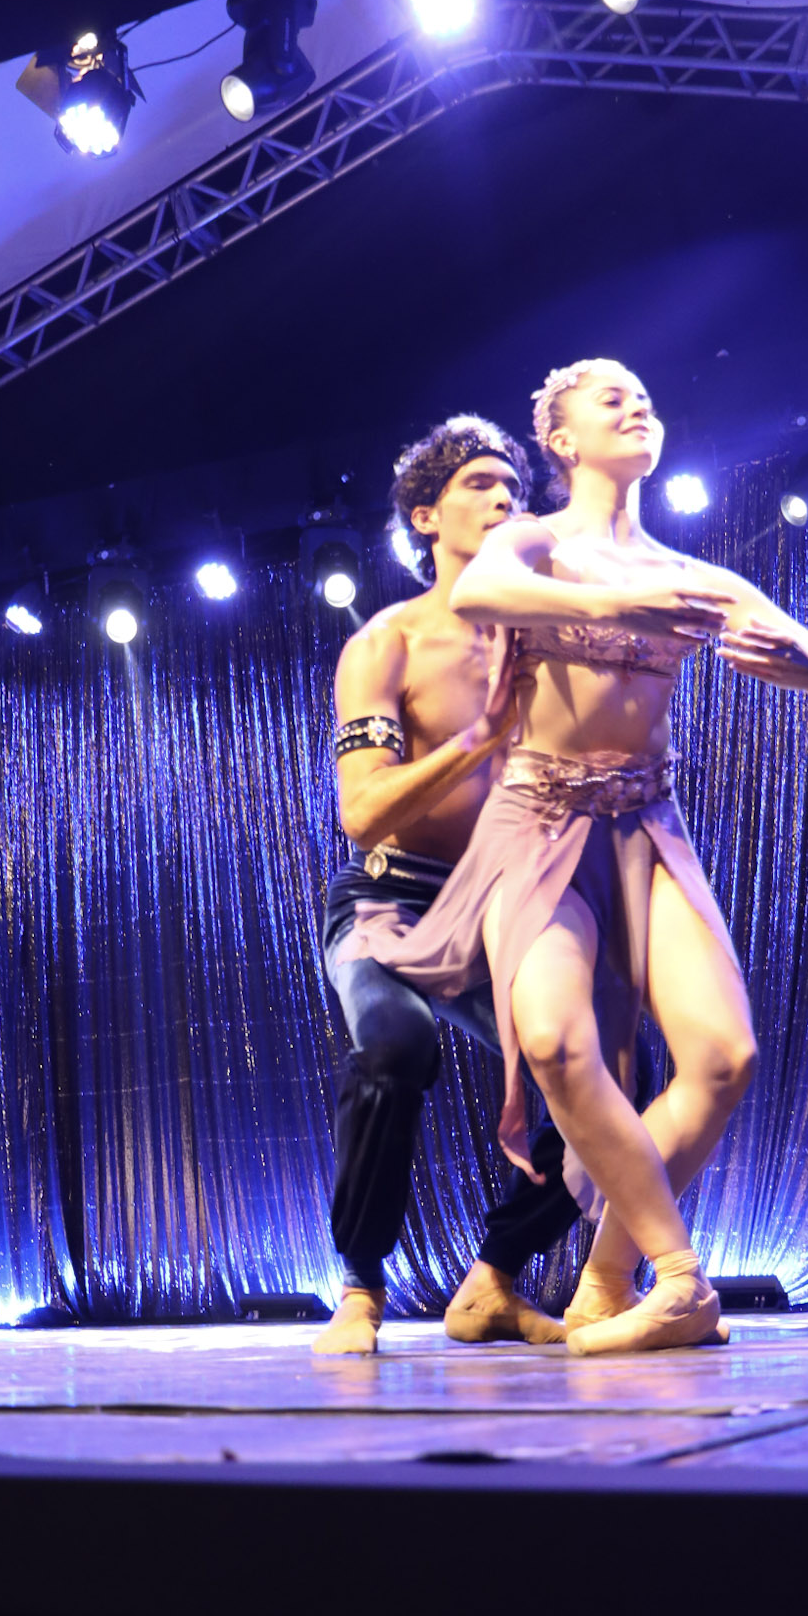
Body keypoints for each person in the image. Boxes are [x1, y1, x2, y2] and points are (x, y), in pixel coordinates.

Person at [338, 359, 808, 1356]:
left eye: (645, 398)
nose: (637, 406)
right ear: (563, 440)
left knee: (723, 1057)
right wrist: (625, 607)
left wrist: (804, 662)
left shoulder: (689, 572)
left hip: (647, 824)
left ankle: (607, 1280)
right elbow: (484, 588)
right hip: (535, 829)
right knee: (546, 1044)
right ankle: (679, 1278)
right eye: (610, 397)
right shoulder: (532, 548)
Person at [313, 415, 584, 1357]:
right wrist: (480, 737)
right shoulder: (386, 643)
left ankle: (494, 1280)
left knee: (613, 1077)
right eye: (478, 482)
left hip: (504, 902)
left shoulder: (547, 639)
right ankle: (359, 1287)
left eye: (514, 485)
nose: (504, 495)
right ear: (425, 516)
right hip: (389, 902)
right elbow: (363, 811)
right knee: (396, 1044)